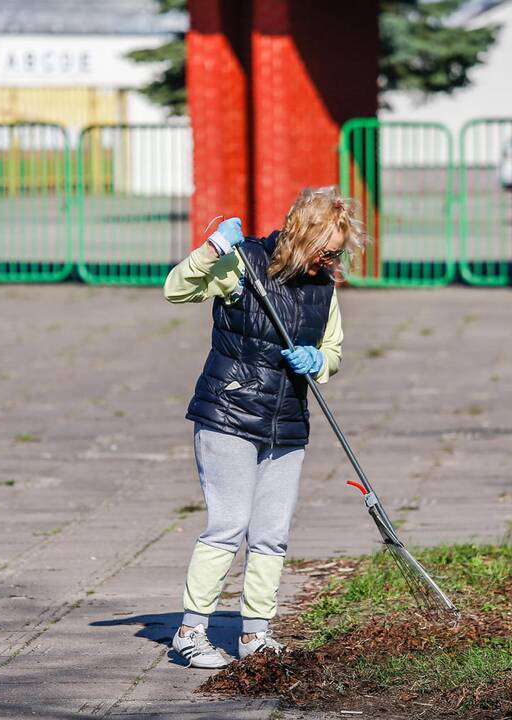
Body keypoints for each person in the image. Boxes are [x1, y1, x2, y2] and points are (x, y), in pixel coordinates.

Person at [163, 186, 368, 668]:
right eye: (329, 249)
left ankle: (255, 635)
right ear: (303, 234)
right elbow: (176, 289)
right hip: (228, 414)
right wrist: (213, 249)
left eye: (338, 252)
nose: (333, 260)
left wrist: (318, 359)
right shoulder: (244, 263)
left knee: (271, 534)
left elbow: (334, 352)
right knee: (227, 526)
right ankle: (190, 632)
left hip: (287, 422)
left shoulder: (324, 288)